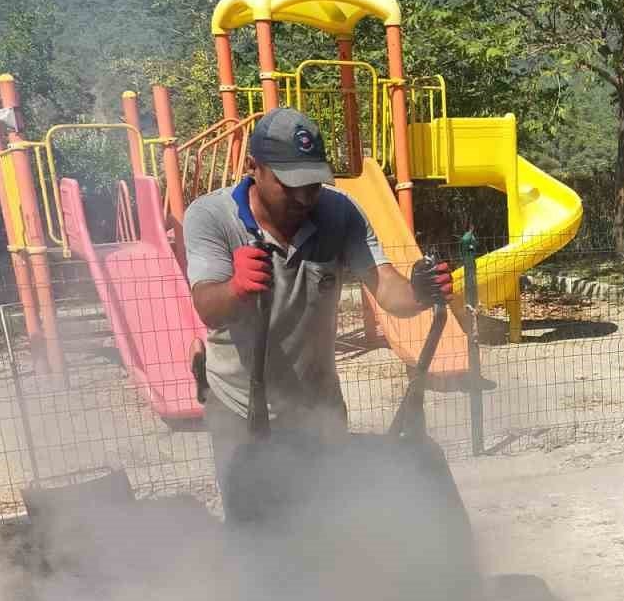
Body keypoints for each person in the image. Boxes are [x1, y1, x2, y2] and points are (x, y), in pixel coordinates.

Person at [182, 106, 452, 500]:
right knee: (257, 524)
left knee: (328, 515)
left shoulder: (340, 212)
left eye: (312, 183)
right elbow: (207, 305)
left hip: (317, 409)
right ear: (253, 167)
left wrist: (420, 293)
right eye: (289, 183)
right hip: (240, 408)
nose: (304, 197)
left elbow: (387, 287)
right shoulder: (211, 217)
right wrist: (235, 288)